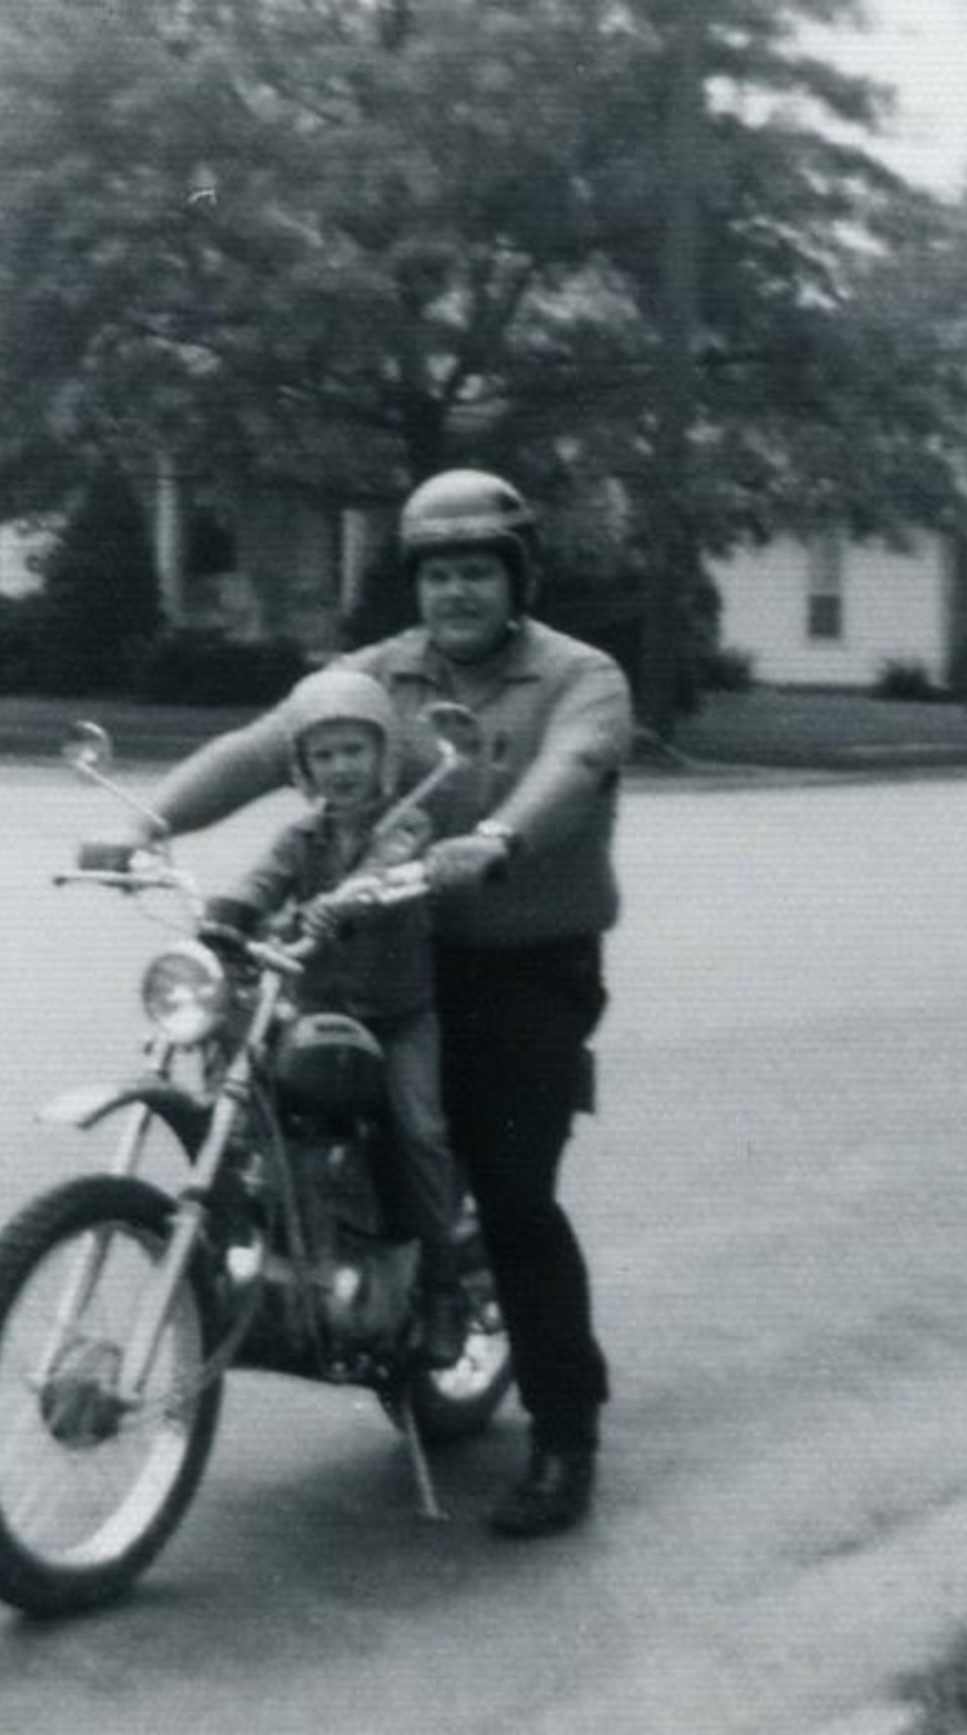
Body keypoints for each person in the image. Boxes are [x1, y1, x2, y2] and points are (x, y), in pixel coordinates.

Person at [85, 468, 633, 1538]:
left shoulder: (580, 676)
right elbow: (261, 749)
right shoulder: (379, 675)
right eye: (438, 573)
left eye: (477, 571)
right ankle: (337, 1291)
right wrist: (148, 822)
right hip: (380, 951)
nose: (455, 592)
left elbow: (575, 767)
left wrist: (499, 837)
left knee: (513, 1196)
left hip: (524, 967)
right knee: (281, 1109)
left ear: (516, 578)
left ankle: (565, 1432)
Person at [213, 665, 467, 1369]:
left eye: (354, 749)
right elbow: (263, 878)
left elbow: (389, 863)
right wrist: (227, 913)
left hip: (397, 1019)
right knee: (250, 1110)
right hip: (318, 1013)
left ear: (383, 754)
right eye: (323, 755)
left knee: (421, 1132)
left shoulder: (408, 820)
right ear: (304, 768)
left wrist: (351, 894)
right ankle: (272, 1261)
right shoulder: (302, 837)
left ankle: (442, 1288)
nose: (340, 767)